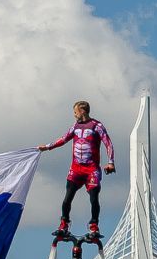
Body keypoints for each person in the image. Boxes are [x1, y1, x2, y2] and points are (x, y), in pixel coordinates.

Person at [37, 101, 116, 239]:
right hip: (76, 169)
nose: (74, 115)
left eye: (75, 112)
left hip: (91, 169)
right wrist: (48, 147)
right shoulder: (75, 127)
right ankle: (64, 223)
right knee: (67, 198)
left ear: (83, 111)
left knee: (93, 197)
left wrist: (111, 163)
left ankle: (94, 226)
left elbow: (108, 143)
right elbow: (64, 139)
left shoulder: (97, 126)